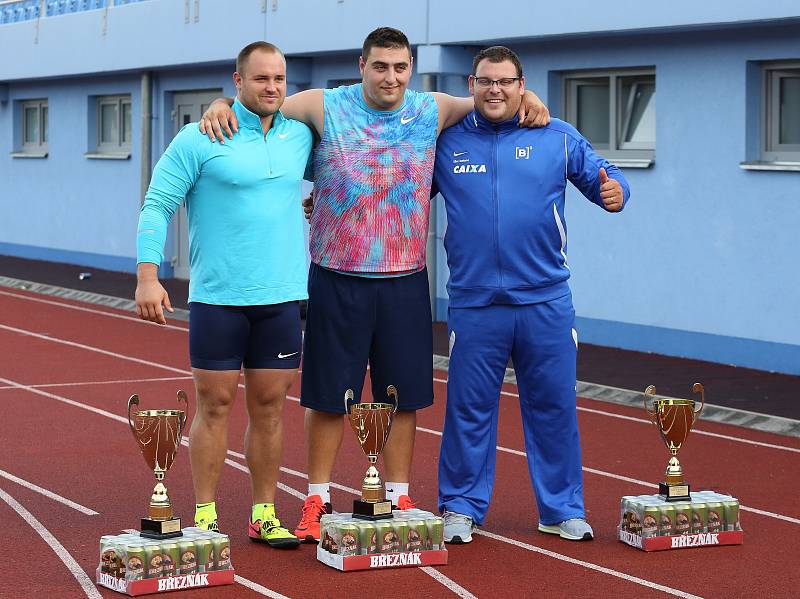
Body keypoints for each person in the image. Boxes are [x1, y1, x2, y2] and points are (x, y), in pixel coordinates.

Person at [200, 27, 550, 543]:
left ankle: (397, 492)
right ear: (361, 65)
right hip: (337, 277)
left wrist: (531, 94)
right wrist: (217, 103)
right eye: (380, 66)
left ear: (411, 69)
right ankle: (317, 497)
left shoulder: (433, 108)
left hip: (405, 279)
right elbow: (261, 101)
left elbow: (489, 97)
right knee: (327, 397)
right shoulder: (322, 105)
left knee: (401, 396)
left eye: (400, 67)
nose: (391, 76)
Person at [431, 46, 630, 543]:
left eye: (504, 81)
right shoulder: (445, 142)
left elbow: (605, 173)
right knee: (468, 411)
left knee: (554, 407)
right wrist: (328, 200)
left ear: (522, 86)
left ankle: (561, 508)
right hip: (475, 304)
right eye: (485, 81)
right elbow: (390, 187)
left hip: (545, 302)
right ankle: (460, 507)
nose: (494, 89)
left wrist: (618, 191)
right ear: (471, 86)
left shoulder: (556, 136)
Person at [135, 41, 313, 548]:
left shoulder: (301, 136)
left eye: (280, 78)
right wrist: (149, 277)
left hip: (281, 298)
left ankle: (263, 513)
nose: (273, 87)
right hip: (219, 299)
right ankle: (206, 515)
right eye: (261, 79)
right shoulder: (198, 137)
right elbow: (156, 205)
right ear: (237, 82)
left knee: (271, 408)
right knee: (214, 405)